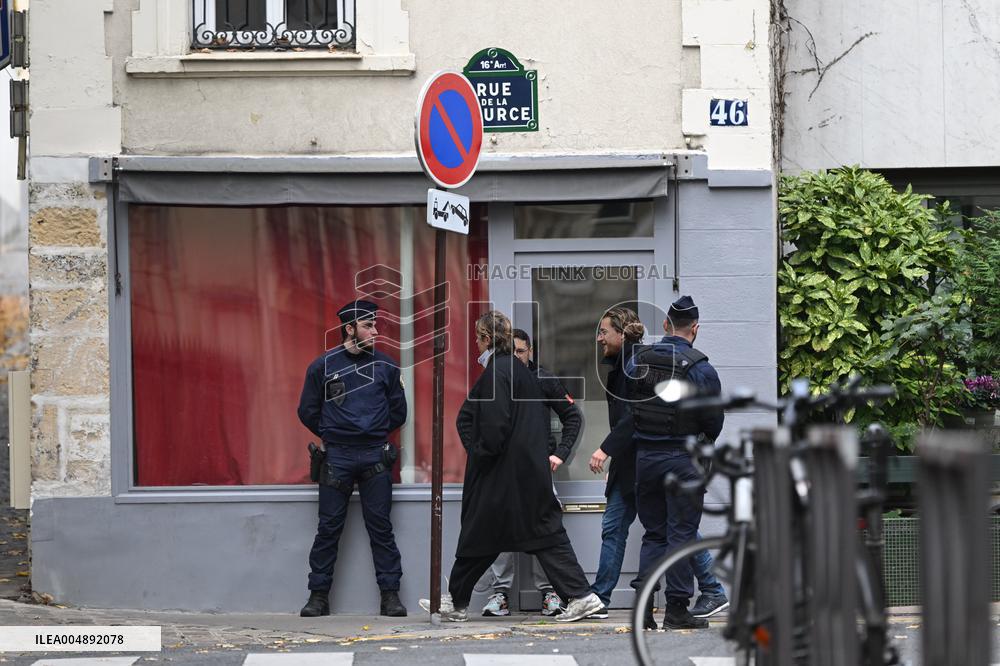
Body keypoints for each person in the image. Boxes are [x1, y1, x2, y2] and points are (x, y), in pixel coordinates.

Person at [421, 311, 602, 623]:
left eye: (478, 339)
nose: (477, 345)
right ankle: (458, 602)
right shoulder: (520, 371)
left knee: (490, 534)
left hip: (502, 473)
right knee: (507, 535)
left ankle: (581, 597)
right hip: (523, 471)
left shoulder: (497, 373)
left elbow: (494, 426)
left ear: (487, 339)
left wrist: (480, 454)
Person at [297, 299, 408, 618]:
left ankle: (390, 596)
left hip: (375, 455)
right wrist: (334, 432)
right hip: (338, 457)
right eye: (368, 325)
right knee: (328, 529)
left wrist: (372, 431)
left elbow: (399, 412)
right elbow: (307, 410)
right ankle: (318, 597)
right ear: (349, 329)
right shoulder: (322, 366)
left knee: (381, 529)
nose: (375, 331)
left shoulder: (386, 366)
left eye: (375, 325)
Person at [628, 295, 725, 630]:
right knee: (680, 535)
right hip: (683, 460)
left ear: (666, 324)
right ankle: (677, 610)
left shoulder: (640, 361)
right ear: (695, 328)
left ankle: (643, 608)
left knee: (654, 534)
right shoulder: (700, 368)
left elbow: (629, 403)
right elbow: (713, 421)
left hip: (645, 459)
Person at [479, 328, 583, 617]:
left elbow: (572, 416)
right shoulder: (496, 378)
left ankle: (549, 592)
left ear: (531, 352)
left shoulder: (543, 379)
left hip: (536, 467)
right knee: (499, 523)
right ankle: (500, 594)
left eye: (521, 351)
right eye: (511, 352)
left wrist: (560, 453)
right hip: (501, 467)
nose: (516, 357)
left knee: (543, 525)